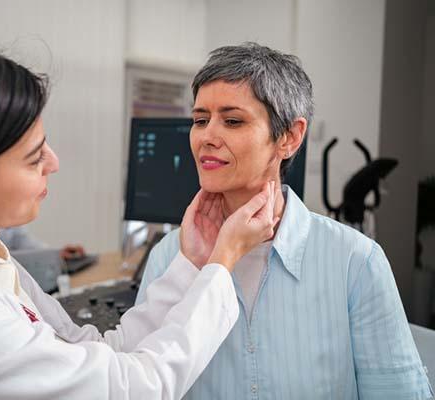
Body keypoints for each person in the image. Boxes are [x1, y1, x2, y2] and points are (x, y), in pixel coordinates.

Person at [0, 44, 279, 399]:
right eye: (33, 158)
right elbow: (134, 387)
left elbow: (92, 353)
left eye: (234, 120)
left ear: (289, 137)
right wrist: (222, 264)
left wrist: (193, 265)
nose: (54, 162)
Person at [136, 43, 434, 399]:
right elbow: (138, 381)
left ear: (290, 137)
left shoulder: (355, 262)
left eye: (232, 120)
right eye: (200, 120)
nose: (207, 137)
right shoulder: (169, 258)